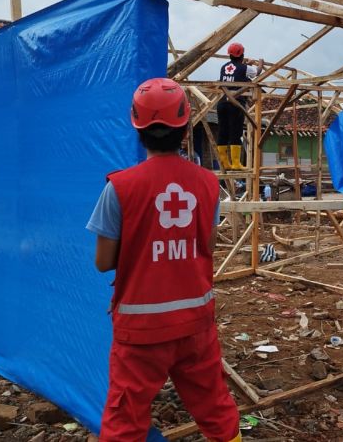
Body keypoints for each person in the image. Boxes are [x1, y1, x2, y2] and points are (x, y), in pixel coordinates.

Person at [87, 78, 241, 442]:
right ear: (185, 128)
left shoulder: (119, 187)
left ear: (136, 127)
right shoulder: (206, 184)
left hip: (141, 329)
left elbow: (103, 262)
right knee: (214, 405)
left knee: (125, 416)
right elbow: (206, 244)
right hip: (195, 321)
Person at [217, 42, 262, 171]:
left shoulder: (224, 67)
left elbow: (236, 72)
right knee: (235, 132)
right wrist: (261, 62)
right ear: (242, 54)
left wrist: (247, 64)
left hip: (222, 102)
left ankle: (225, 163)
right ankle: (236, 163)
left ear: (229, 55)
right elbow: (257, 72)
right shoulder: (244, 68)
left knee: (223, 132)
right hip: (235, 103)